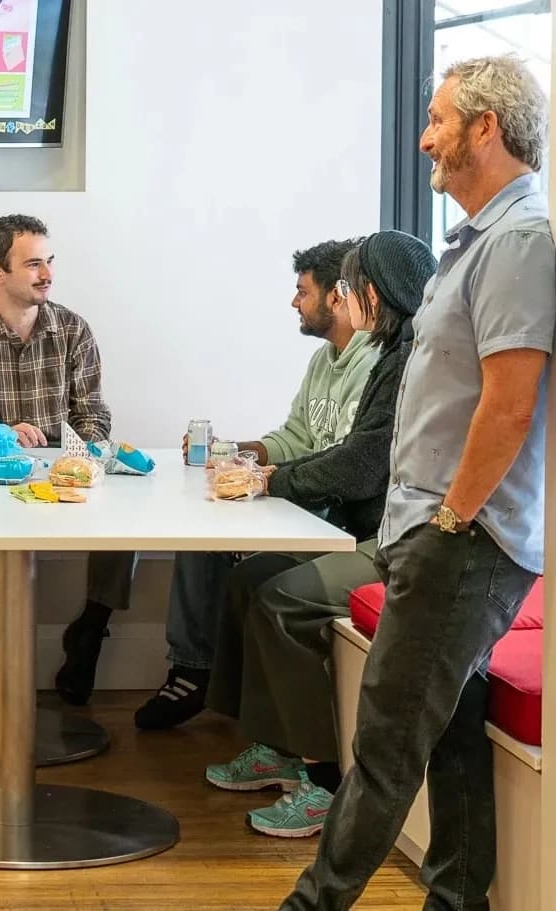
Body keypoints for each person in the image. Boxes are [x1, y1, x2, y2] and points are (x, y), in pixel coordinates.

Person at [279, 55, 555, 911]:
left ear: (486, 127)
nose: (424, 139)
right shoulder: (475, 245)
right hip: (434, 534)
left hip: (462, 542)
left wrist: (448, 522)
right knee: (450, 737)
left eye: (437, 120)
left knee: (385, 745)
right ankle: (456, 899)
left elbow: (508, 406)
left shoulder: (519, 242)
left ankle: (310, 903)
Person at [205, 230, 436, 838]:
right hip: (368, 528)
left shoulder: (409, 360)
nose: (344, 299)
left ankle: (324, 781)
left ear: (370, 295)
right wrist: (265, 468)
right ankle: (276, 748)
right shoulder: (394, 353)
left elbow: (363, 464)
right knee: (251, 577)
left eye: (351, 288)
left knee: (282, 601)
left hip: (396, 540)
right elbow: (333, 447)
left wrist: (273, 481)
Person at [135, 238, 380, 729]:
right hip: (312, 509)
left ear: (337, 295)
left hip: (345, 522)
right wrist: (235, 451)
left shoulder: (374, 364)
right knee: (203, 541)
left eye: (302, 291)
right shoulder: (323, 361)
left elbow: (348, 462)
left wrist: (269, 479)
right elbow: (296, 436)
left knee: (254, 576)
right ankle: (194, 670)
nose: (294, 302)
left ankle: (257, 723)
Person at [0, 214, 135, 705]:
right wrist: (6, 436)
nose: (47, 273)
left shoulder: (72, 328)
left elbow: (93, 413)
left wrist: (80, 456)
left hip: (62, 471)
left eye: (49, 261)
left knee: (127, 522)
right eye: (32, 264)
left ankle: (91, 627)